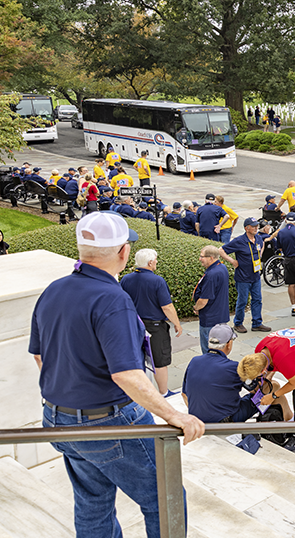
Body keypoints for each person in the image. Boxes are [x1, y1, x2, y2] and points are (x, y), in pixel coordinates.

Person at [29, 213, 204, 537]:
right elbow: (126, 375)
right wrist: (174, 415)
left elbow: (40, 355)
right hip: (106, 420)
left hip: (57, 419)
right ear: (123, 252)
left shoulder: (53, 290)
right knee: (166, 500)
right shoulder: (112, 299)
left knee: (93, 504)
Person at [238, 326, 295, 453]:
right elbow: (270, 365)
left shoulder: (283, 357)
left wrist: (273, 396)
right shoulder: (259, 351)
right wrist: (267, 378)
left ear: (263, 369)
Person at [182, 324, 292, 424]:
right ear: (229, 344)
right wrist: (271, 370)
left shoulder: (194, 361)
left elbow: (184, 395)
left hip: (197, 419)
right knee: (274, 386)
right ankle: (291, 420)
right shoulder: (233, 367)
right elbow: (258, 390)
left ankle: (287, 418)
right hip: (226, 420)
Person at [120, 248, 183, 396]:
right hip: (155, 328)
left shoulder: (126, 279)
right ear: (150, 263)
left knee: (138, 359)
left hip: (134, 325)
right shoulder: (157, 281)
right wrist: (177, 324)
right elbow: (167, 307)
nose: (156, 262)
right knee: (159, 360)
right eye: (155, 260)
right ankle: (163, 392)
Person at [220, 217, 271, 334]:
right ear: (246, 228)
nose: (256, 228)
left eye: (257, 226)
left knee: (257, 299)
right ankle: (238, 323)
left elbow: (262, 244)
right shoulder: (239, 241)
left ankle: (257, 323)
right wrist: (232, 261)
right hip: (243, 277)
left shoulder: (258, 238)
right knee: (242, 301)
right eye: (253, 226)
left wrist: (259, 255)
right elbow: (221, 250)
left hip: (255, 276)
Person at [193, 246, 231, 354]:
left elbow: (203, 300)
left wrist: (196, 307)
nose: (200, 259)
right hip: (220, 316)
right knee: (219, 350)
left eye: (202, 257)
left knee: (208, 351)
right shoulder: (222, 267)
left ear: (211, 258)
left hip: (210, 319)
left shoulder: (211, 274)